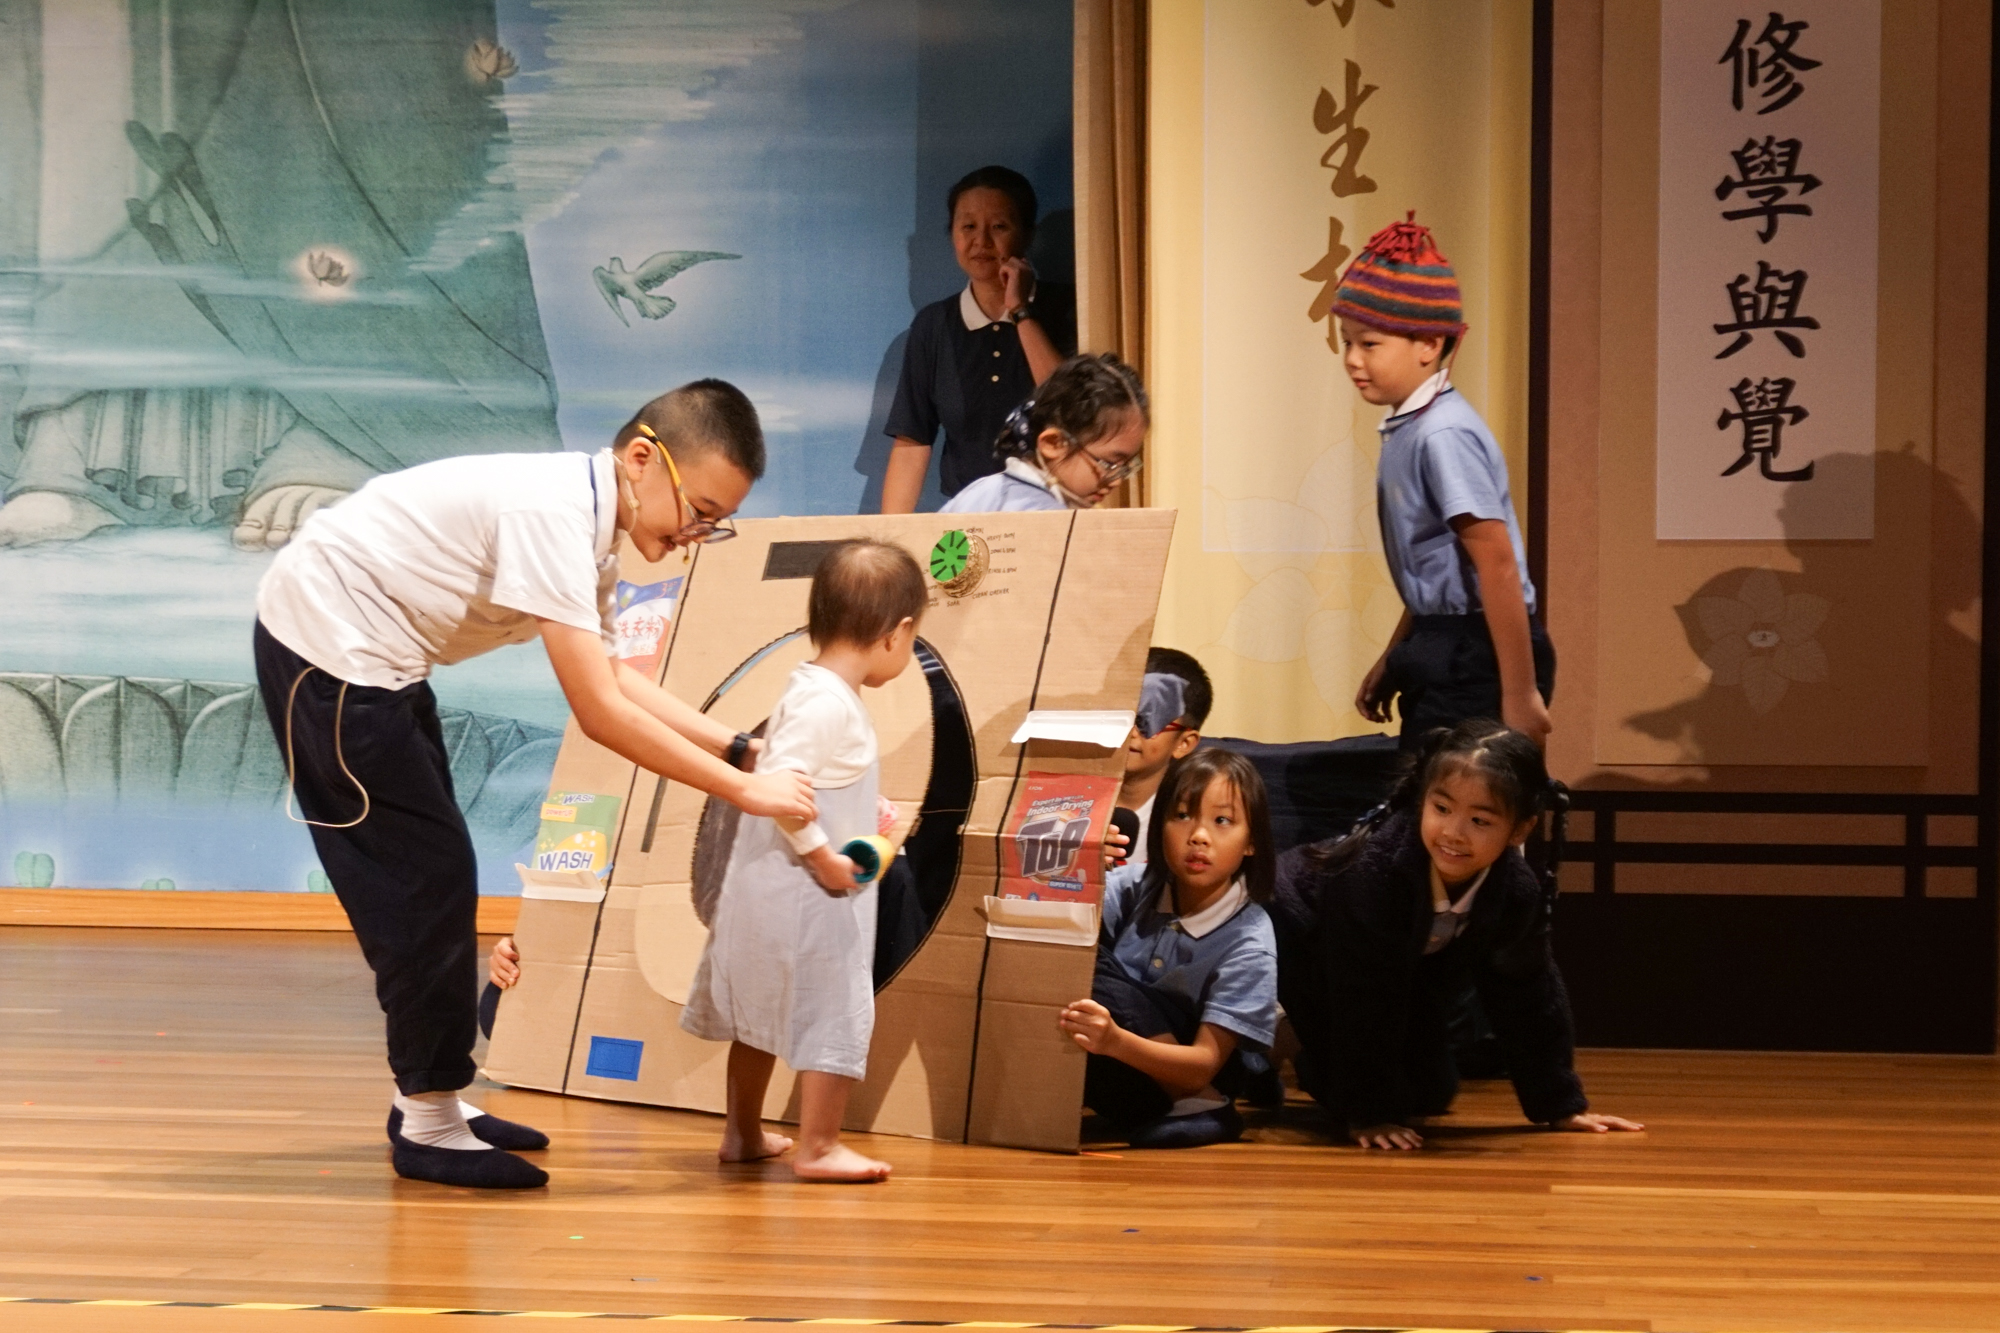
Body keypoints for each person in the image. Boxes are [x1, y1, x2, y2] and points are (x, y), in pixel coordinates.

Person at [253, 379, 816, 1191]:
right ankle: (428, 1118)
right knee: (422, 885)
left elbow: (616, 676)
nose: (695, 536)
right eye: (698, 511)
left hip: (379, 659)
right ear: (641, 458)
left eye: (714, 524)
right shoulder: (553, 516)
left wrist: (736, 746)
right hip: (329, 654)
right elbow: (600, 714)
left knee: (433, 876)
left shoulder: (590, 534)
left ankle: (431, 1098)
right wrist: (746, 789)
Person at [679, 539, 928, 1183]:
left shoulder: (811, 688)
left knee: (761, 1015)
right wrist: (824, 858)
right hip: (807, 898)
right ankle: (819, 1145)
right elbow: (783, 785)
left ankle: (742, 1133)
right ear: (897, 633)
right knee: (836, 1009)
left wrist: (862, 809)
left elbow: (813, 778)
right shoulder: (830, 702)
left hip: (766, 891)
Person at [1270, 721, 1643, 1149]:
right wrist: (1370, 1115)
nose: (1453, 832)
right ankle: (1286, 1034)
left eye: (1480, 820)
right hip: (1299, 932)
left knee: (1431, 1092)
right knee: (1352, 1095)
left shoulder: (1516, 890)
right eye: (1442, 809)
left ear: (1520, 829)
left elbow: (1529, 993)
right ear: (1422, 801)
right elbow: (1364, 997)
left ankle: (1300, 1045)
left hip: (1397, 969)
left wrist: (1561, 1105)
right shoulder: (1373, 874)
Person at [1336, 214, 1555, 749]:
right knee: (1425, 789)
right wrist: (1396, 654)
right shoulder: (1411, 427)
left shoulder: (1443, 433)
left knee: (1458, 795)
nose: (1352, 360)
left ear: (1429, 344)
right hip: (1443, 639)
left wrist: (1519, 692)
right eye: (1347, 343)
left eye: (1369, 344)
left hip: (1476, 653)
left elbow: (1495, 562)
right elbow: (1437, 563)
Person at [1058, 749, 1279, 1149]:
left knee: (1088, 964)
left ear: (1252, 842)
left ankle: (1203, 1104)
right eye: (1181, 815)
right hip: (1121, 1065)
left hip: (1194, 1074)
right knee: (1066, 943)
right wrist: (1080, 870)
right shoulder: (1136, 884)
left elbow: (1204, 1064)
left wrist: (1115, 1041)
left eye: (1222, 821)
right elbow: (1057, 931)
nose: (1199, 835)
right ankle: (1187, 1107)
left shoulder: (1250, 939)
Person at [882, 165, 1077, 512]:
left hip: (1051, 513)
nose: (981, 242)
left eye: (999, 226)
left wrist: (1020, 312)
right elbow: (912, 442)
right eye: (968, 226)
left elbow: (1070, 409)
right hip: (966, 520)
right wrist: (890, 537)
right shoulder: (933, 325)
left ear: (1027, 235)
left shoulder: (1068, 309)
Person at [939, 353, 1145, 514]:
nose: (1116, 481)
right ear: (1054, 443)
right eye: (1109, 463)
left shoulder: (980, 490)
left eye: (1125, 467)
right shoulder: (1048, 519)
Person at [1112, 648, 1213, 870]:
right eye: (1120, 715)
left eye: (1147, 720)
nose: (1130, 731)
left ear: (1183, 743)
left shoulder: (1194, 824)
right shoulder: (1063, 802)